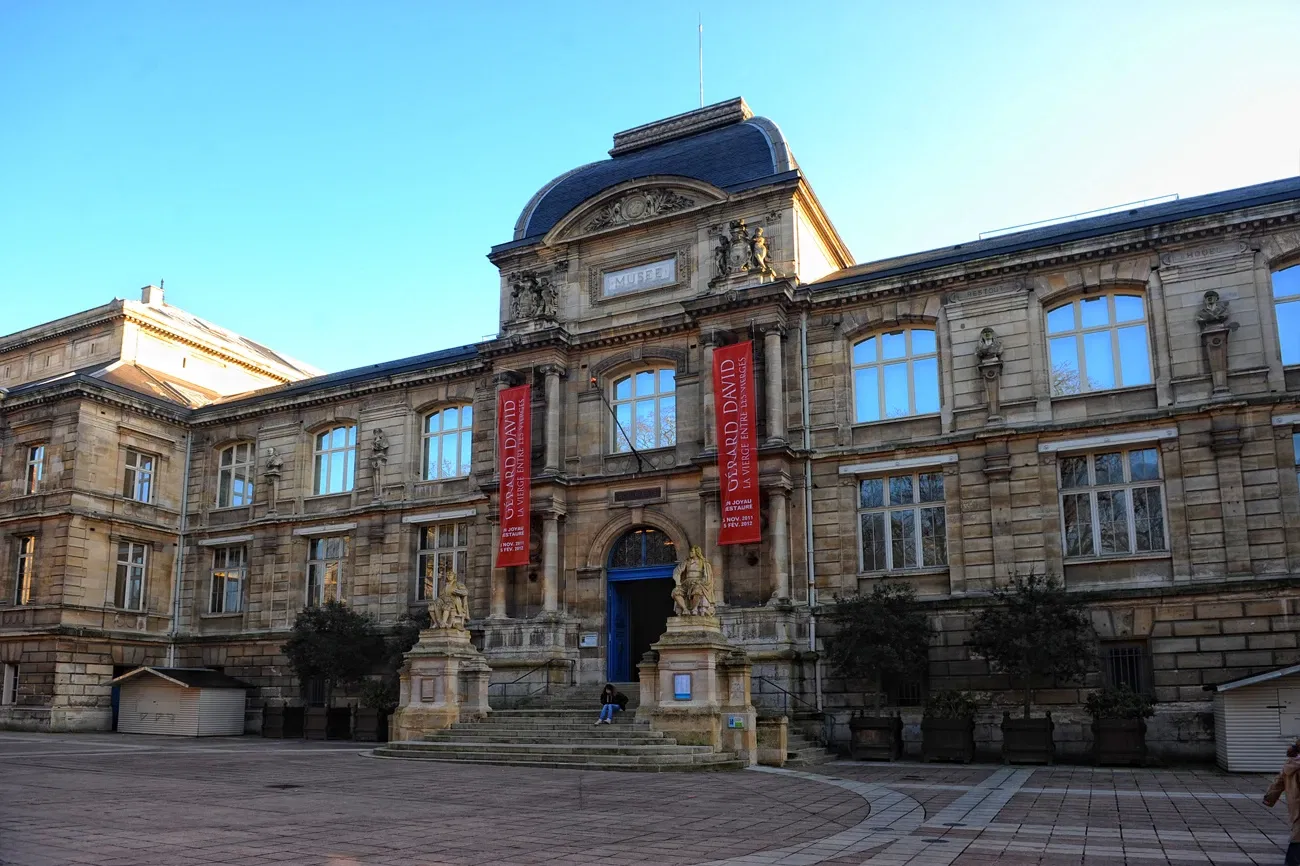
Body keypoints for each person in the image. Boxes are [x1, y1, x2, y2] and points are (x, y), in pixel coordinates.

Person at [1264, 741, 1300, 865]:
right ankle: (1292, 861)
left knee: (1298, 831)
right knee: (1298, 835)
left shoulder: (1290, 764)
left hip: (1294, 804)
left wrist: (1269, 798)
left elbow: (1278, 783)